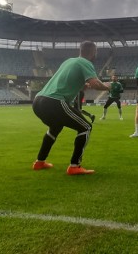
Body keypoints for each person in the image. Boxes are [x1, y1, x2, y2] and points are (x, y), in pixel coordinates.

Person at [32, 41, 110, 175]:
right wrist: (107, 87)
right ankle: (75, 166)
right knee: (86, 127)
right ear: (93, 52)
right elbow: (96, 84)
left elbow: (67, 81)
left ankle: (39, 162)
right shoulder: (86, 63)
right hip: (54, 101)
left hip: (38, 100)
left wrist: (83, 85)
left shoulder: (69, 61)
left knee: (55, 128)